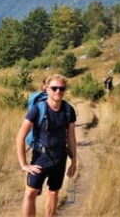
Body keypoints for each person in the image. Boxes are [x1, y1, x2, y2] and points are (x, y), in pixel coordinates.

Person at [16, 74, 77, 217]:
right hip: (40, 158)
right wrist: (24, 164)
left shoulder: (69, 110)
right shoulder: (38, 109)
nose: (58, 91)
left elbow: (71, 137)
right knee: (31, 193)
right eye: (54, 88)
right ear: (47, 89)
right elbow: (20, 137)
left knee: (53, 192)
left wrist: (74, 161)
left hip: (60, 158)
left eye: (61, 88)